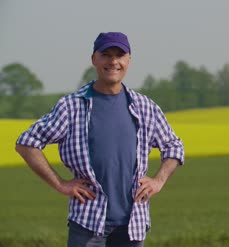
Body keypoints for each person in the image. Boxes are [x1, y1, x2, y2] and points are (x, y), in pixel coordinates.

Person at [15, 32, 185, 246]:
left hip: (133, 224)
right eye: (106, 54)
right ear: (94, 59)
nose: (113, 61)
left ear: (128, 61)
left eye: (120, 55)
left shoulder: (144, 107)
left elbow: (174, 146)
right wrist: (60, 184)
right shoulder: (72, 106)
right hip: (88, 223)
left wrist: (159, 180)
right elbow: (26, 143)